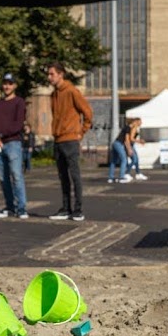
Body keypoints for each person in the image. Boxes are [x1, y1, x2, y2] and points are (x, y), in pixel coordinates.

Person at [46, 61, 93, 221]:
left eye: (52, 74)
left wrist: (81, 132)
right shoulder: (53, 95)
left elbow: (88, 113)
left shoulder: (72, 91)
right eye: (48, 74)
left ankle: (78, 210)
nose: (49, 77)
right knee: (63, 176)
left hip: (70, 139)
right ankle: (66, 208)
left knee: (74, 175)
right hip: (58, 139)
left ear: (61, 74)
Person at [0, 73, 28, 219]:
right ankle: (9, 206)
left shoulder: (19, 102)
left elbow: (18, 124)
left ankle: (21, 208)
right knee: (3, 178)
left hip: (13, 143)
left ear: (14, 85)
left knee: (16, 176)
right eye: (5, 83)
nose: (7, 86)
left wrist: (1, 135)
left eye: (10, 83)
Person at [108, 117, 131, 184]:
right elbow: (126, 140)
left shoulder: (125, 127)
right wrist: (129, 149)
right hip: (119, 144)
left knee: (113, 161)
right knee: (124, 160)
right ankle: (121, 177)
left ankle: (110, 178)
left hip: (115, 143)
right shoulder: (128, 128)